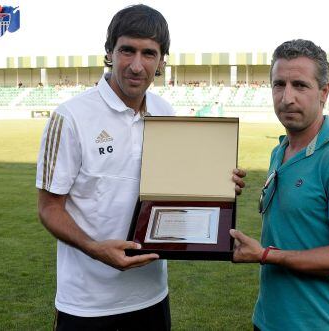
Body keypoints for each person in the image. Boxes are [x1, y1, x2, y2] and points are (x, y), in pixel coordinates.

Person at [35, 5, 245, 330]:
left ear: (162, 61)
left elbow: (177, 186)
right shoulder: (70, 117)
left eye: (149, 53)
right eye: (127, 50)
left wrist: (217, 182)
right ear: (109, 52)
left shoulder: (165, 112)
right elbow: (49, 208)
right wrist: (95, 249)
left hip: (151, 296)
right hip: (87, 304)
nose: (136, 65)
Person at [230, 39, 329, 331]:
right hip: (268, 319)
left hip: (318, 324)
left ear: (324, 92)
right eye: (278, 84)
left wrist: (266, 255)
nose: (286, 98)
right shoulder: (280, 150)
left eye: (300, 85)